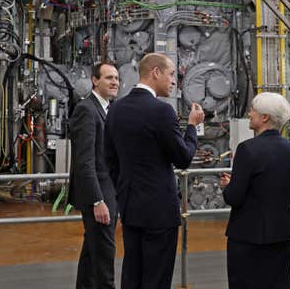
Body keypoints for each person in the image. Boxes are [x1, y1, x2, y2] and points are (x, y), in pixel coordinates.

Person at [105, 53, 205, 289]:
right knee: (157, 278)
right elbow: (183, 158)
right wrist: (192, 126)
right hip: (159, 211)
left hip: (130, 207)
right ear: (155, 73)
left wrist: (124, 191)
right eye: (171, 74)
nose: (174, 81)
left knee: (133, 273)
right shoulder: (162, 111)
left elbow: (109, 159)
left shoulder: (116, 109)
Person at [220, 92, 290, 289]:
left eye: (253, 111)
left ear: (265, 117)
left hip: (248, 235)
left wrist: (228, 186)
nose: (249, 114)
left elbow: (235, 197)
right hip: (281, 234)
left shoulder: (247, 149)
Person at [68, 62, 120, 289]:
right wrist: (97, 200)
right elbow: (84, 162)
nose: (115, 82)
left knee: (92, 252)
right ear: (95, 80)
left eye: (117, 78)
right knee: (104, 256)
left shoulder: (109, 108)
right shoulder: (86, 110)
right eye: (109, 78)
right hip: (98, 194)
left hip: (108, 190)